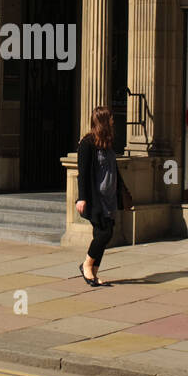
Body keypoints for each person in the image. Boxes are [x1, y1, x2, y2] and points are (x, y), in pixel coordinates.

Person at [75, 105, 130, 287]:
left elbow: (113, 169)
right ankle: (87, 265)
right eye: (111, 118)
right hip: (95, 198)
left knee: (106, 233)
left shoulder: (107, 143)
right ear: (104, 121)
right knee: (103, 233)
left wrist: (122, 190)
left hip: (110, 197)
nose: (114, 121)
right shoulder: (87, 143)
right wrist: (82, 197)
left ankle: (94, 272)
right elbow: (82, 173)